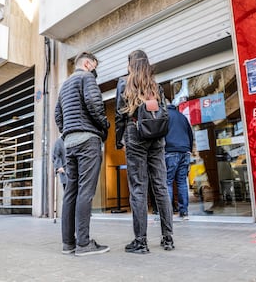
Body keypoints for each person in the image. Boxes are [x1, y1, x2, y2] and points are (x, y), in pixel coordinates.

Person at [115, 49, 174, 254]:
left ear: (131, 64)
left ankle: (141, 242)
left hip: (135, 135)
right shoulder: (156, 86)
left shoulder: (124, 84)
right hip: (157, 138)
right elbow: (163, 112)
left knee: (138, 188)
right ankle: (168, 239)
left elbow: (119, 115)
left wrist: (118, 140)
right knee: (160, 186)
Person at [55, 51, 110, 257]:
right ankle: (84, 244)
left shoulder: (64, 85)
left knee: (71, 192)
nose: (96, 70)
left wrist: (68, 131)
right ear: (88, 64)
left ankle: (68, 243)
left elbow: (57, 114)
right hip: (88, 140)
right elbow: (95, 105)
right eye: (95, 65)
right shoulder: (87, 78)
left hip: (69, 143)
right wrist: (104, 126)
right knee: (86, 192)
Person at [164, 101, 193, 220]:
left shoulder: (164, 115)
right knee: (182, 182)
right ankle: (184, 212)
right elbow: (190, 134)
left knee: (167, 182)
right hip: (185, 151)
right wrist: (189, 149)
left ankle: (168, 213)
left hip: (171, 151)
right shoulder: (182, 117)